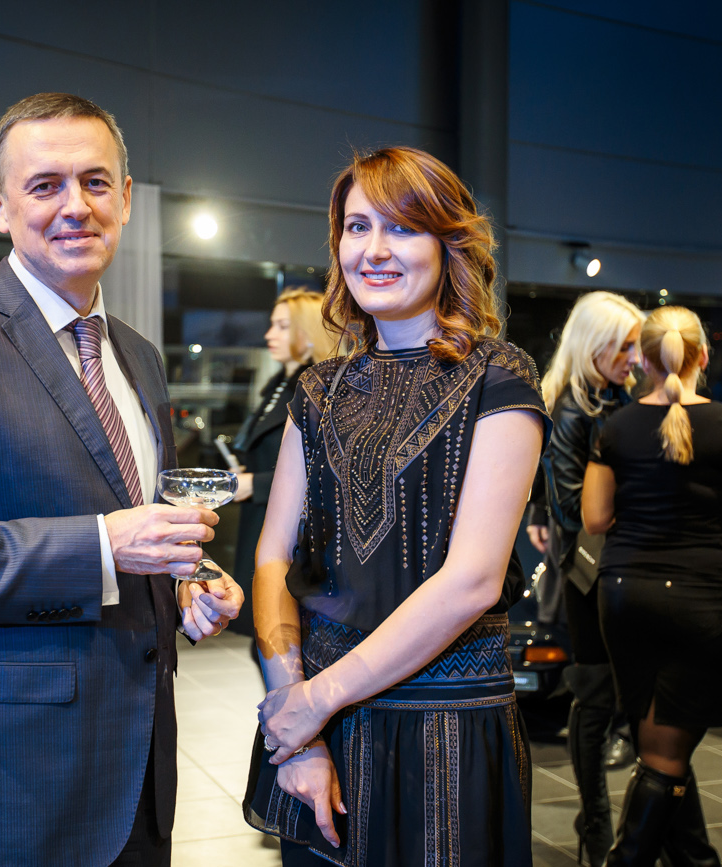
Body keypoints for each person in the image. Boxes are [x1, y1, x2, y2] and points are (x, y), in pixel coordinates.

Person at [0, 92, 243, 866]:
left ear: (125, 199)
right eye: (45, 185)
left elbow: (131, 523)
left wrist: (185, 584)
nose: (76, 205)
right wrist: (100, 546)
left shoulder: (137, 353)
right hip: (11, 779)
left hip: (140, 770)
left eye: (96, 182)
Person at [246, 146, 549, 865]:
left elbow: (473, 580)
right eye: (358, 227)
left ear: (449, 245)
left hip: (443, 725)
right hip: (319, 727)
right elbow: (272, 557)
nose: (374, 250)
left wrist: (316, 700)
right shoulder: (316, 388)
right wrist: (298, 725)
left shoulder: (499, 377)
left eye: (403, 228)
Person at [582, 305, 722, 866]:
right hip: (703, 599)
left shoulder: (614, 427)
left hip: (625, 594)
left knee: (657, 749)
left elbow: (595, 518)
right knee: (666, 757)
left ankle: (696, 860)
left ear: (643, 360)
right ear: (704, 357)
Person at [527, 291, 644, 864]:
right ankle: (595, 821)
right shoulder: (575, 408)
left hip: (609, 566)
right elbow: (574, 510)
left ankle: (606, 822)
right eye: (623, 346)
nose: (633, 357)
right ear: (594, 345)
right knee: (597, 696)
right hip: (592, 572)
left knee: (614, 696)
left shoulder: (610, 397)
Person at [228, 286, 335, 636]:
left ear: (308, 333)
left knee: (279, 627)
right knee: (263, 625)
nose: (269, 335)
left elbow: (324, 467)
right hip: (261, 517)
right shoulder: (277, 385)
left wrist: (255, 483)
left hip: (295, 529)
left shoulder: (319, 390)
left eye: (282, 326)